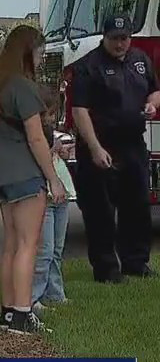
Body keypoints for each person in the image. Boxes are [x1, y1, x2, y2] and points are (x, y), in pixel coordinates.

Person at [70, 14, 160, 283]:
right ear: (104, 37)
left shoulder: (140, 60)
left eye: (125, 38)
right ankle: (106, 269)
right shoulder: (89, 66)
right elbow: (80, 111)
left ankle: (136, 262)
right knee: (100, 211)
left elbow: (156, 90)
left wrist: (152, 104)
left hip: (133, 144)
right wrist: (95, 148)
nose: (120, 44)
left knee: (137, 206)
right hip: (100, 146)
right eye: (115, 39)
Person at [0, 25, 65, 335]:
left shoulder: (1, 85)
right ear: (28, 52)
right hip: (26, 173)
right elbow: (37, 139)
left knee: (11, 245)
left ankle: (8, 311)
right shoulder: (23, 87)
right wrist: (55, 180)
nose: (41, 59)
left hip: (2, 175)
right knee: (29, 244)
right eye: (39, 53)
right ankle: (24, 314)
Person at [31, 86, 77, 317]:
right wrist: (53, 149)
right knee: (45, 249)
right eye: (48, 114)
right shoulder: (33, 135)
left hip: (62, 193)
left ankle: (55, 293)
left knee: (57, 249)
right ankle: (33, 297)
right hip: (46, 195)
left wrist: (60, 151)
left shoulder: (51, 133)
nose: (51, 118)